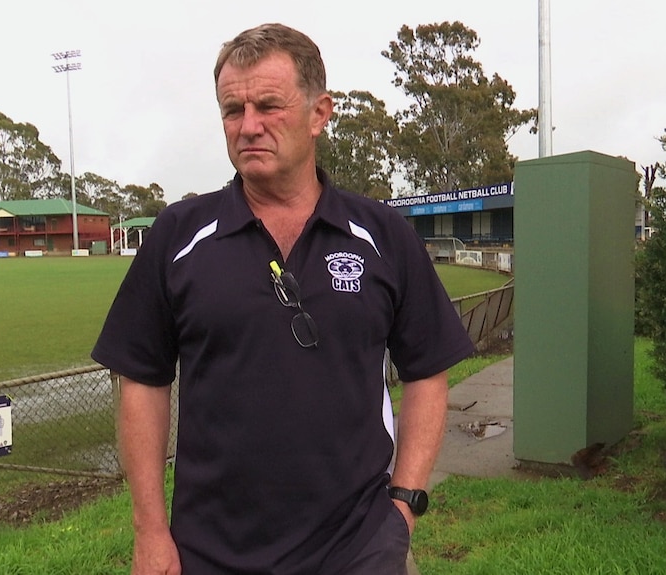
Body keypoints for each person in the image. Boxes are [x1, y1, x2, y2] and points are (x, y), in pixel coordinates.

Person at [92, 22, 474, 575]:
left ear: (320, 113)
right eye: (232, 110)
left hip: (360, 550)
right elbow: (143, 383)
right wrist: (150, 531)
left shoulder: (382, 234)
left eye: (268, 105)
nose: (248, 126)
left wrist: (404, 506)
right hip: (210, 552)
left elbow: (428, 372)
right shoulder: (178, 236)